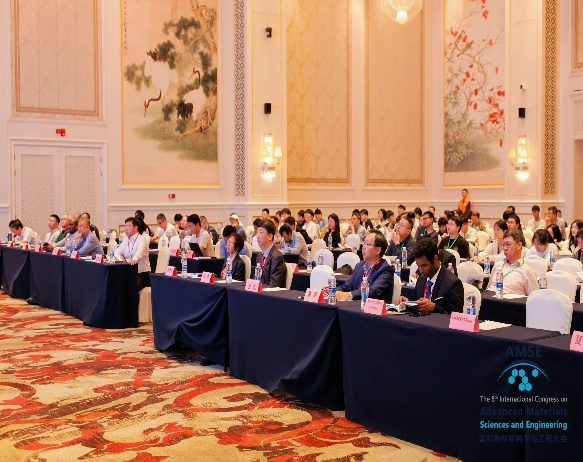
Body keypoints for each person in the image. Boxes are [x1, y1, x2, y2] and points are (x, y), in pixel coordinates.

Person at [396, 237, 463, 314]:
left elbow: (457, 317)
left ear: (435, 259)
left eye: (424, 266)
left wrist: (435, 308)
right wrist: (406, 303)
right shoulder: (421, 279)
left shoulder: (453, 283)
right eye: (418, 266)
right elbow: (416, 303)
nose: (420, 270)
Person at [332, 230, 394, 303]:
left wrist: (349, 295)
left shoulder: (385, 270)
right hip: (355, 306)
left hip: (373, 308)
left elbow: (372, 291)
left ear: (378, 250)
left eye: (368, 244)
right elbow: (346, 287)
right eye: (364, 243)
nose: (363, 247)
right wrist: (332, 291)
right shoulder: (359, 266)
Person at [487, 229, 539, 296]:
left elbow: (535, 299)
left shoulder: (527, 272)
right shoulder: (497, 266)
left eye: (508, 244)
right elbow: (488, 290)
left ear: (519, 245)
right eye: (503, 245)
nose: (505, 248)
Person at [114, 217, 151, 292]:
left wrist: (134, 259)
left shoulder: (142, 239)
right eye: (125, 227)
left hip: (142, 274)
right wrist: (120, 258)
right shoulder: (126, 241)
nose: (126, 229)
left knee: (128, 287)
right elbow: (116, 252)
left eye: (128, 226)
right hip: (129, 273)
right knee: (115, 282)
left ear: (136, 227)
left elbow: (140, 252)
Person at [255, 219, 287, 288]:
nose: (257, 236)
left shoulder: (276, 257)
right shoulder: (259, 256)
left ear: (270, 236)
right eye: (257, 232)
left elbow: (274, 285)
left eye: (261, 232)